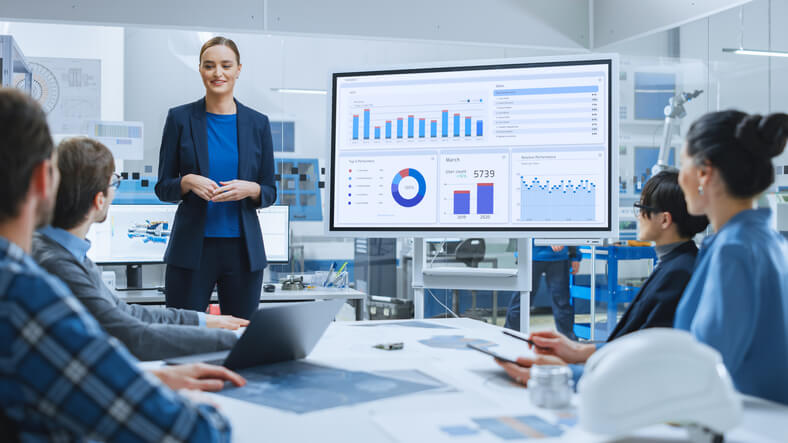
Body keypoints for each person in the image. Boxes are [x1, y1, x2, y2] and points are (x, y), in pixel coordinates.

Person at [0, 88, 245, 441]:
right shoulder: (26, 294)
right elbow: (193, 433)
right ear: (44, 181)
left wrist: (205, 330)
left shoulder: (46, 270)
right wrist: (234, 353)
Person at [32, 137, 250, 361]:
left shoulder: (68, 254)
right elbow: (131, 336)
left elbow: (126, 314)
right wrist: (238, 342)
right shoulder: (56, 264)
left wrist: (206, 321)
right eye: (114, 183)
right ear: (99, 200)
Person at [497, 171, 709, 386]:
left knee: (561, 304)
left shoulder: (679, 273)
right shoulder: (676, 263)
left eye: (642, 209)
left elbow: (645, 361)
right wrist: (579, 351)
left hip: (627, 388)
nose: (637, 216)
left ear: (664, 219)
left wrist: (565, 374)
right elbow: (636, 342)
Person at [156, 36, 276, 319]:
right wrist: (186, 182)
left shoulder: (258, 123)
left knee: (242, 336)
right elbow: (163, 187)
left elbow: (270, 191)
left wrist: (252, 189)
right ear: (200, 70)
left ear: (238, 69)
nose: (218, 73)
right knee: (181, 334)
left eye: (225, 65)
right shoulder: (180, 119)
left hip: (243, 252)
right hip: (191, 251)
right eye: (209, 66)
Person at [675, 111, 788, 405]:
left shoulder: (733, 252)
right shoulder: (768, 242)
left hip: (749, 424)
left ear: (703, 172)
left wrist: (574, 375)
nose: (679, 177)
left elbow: (702, 370)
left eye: (682, 164)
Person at [505, 244, 580, 340]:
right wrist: (550, 239)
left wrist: (575, 256)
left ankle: (569, 342)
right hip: (530, 255)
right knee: (521, 301)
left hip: (559, 258)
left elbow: (572, 231)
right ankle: (510, 339)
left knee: (562, 303)